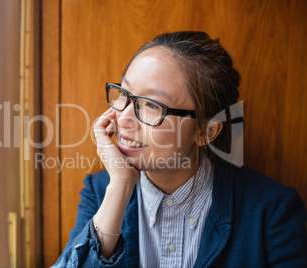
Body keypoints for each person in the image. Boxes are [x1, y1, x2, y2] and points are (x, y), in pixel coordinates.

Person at [52, 31, 306, 267]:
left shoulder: (272, 210)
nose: (123, 118)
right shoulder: (99, 193)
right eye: (124, 94)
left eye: (151, 105)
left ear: (207, 131)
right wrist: (120, 185)